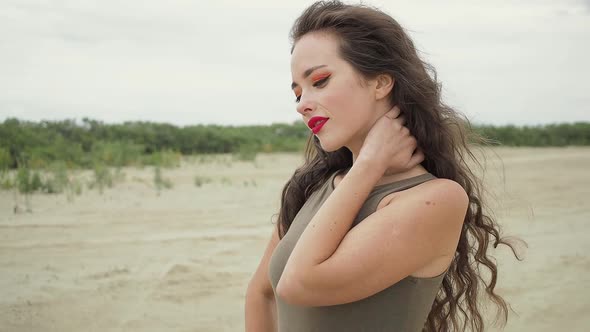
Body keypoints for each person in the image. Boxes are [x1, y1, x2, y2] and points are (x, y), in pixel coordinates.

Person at [245, 1, 521, 331]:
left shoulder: (438, 199)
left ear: (380, 82)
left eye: (319, 81)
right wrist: (365, 167)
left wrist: (369, 164)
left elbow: (298, 285)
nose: (303, 104)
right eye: (297, 93)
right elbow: (262, 294)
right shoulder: (315, 186)